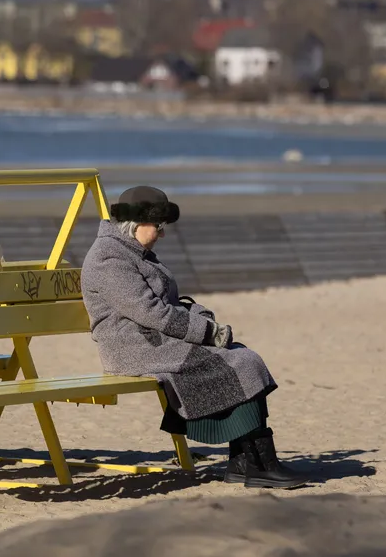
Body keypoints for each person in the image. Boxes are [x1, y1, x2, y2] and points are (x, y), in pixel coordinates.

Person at [80, 185, 309, 489]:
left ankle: (245, 462)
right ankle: (258, 464)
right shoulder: (109, 258)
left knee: (243, 356)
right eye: (159, 226)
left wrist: (201, 316)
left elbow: (168, 304)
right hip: (134, 347)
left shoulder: (131, 251)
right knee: (240, 362)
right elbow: (152, 312)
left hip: (154, 340)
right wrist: (207, 332)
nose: (163, 234)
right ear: (137, 223)